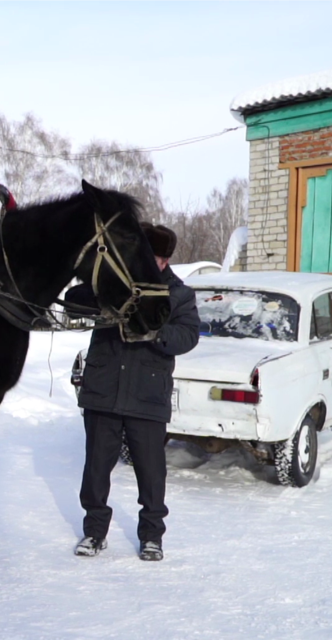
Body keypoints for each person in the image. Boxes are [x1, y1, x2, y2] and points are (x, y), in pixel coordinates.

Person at [64, 223, 199, 561]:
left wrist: (153, 330)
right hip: (103, 391)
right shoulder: (114, 281)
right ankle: (94, 533)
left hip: (147, 396)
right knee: (96, 469)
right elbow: (73, 301)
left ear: (164, 261)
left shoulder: (179, 294)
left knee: (151, 474)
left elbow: (187, 336)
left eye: (149, 257)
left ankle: (152, 536)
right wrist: (106, 296)